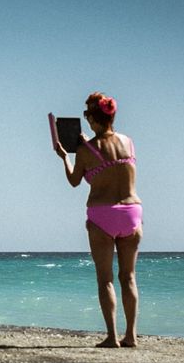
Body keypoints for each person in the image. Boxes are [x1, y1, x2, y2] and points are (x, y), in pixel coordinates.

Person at [53, 92, 142, 348]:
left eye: (86, 116)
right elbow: (114, 162)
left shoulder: (84, 150)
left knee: (105, 279)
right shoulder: (128, 142)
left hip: (102, 214)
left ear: (92, 118)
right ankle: (131, 335)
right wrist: (87, 144)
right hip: (132, 212)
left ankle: (112, 337)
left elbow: (74, 181)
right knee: (129, 277)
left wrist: (64, 156)